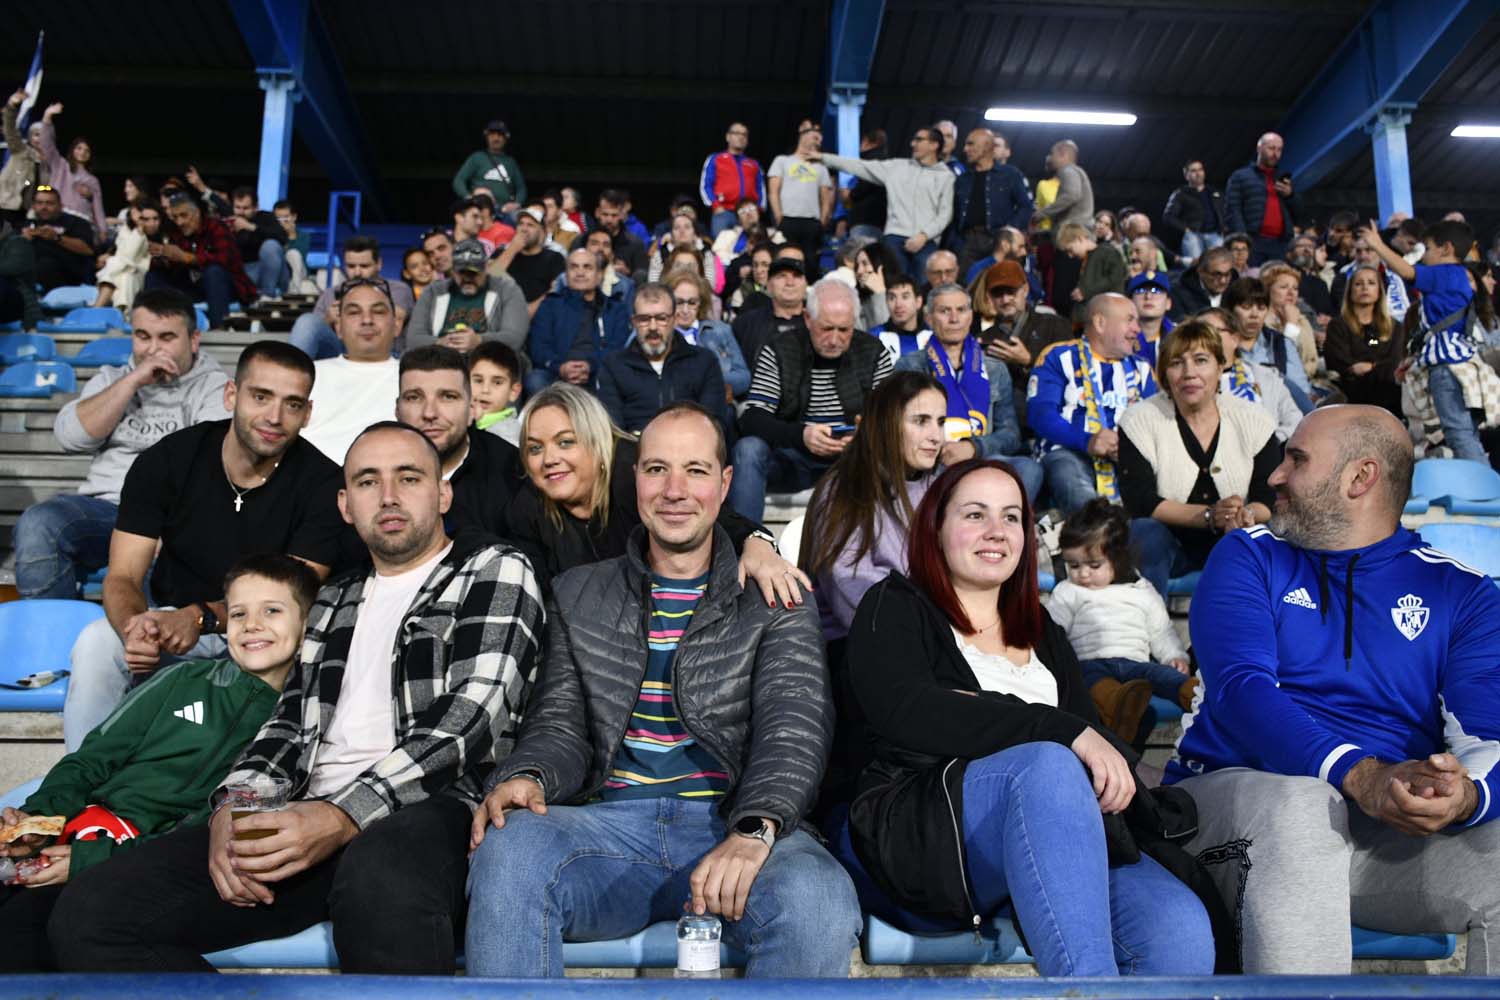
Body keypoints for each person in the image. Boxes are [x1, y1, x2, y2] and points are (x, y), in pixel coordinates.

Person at [54, 421, 545, 975]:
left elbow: (466, 723)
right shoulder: (335, 598)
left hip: (430, 809)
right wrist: (233, 806)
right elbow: (288, 724)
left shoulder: (494, 567)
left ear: (443, 492)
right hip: (303, 814)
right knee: (93, 912)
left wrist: (339, 816)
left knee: (380, 880)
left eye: (409, 478)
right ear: (344, 504)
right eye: (367, 481)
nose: (388, 496)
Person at [468, 402, 859, 977]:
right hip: (606, 830)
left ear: (725, 485)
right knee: (509, 850)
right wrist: (528, 776)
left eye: (695, 471)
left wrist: (756, 826)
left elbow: (793, 728)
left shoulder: (778, 598)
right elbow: (558, 725)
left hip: (731, 821)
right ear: (636, 479)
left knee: (817, 897)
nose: (674, 490)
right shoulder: (579, 592)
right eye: (656, 470)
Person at [834, 459, 1217, 977]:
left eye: (1012, 517)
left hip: (1061, 827)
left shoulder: (1042, 629)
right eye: (975, 514)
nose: (996, 531)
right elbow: (910, 710)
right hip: (929, 826)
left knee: (1177, 929)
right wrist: (1060, 731)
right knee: (1048, 765)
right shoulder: (894, 605)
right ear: (936, 527)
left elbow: (1087, 731)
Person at [1168, 405, 1500, 974]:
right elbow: (1242, 692)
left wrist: (1464, 796)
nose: (1274, 476)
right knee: (1302, 804)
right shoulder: (1248, 554)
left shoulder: (1463, 592)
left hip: (1375, 835)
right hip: (1228, 813)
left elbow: (1487, 737)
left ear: (1359, 478)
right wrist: (1361, 774)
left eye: (1295, 460)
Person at [0, 554, 320, 973]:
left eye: (272, 611)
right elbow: (91, 761)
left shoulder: (302, 719)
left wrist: (88, 860)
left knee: (23, 929)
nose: (252, 624)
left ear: (309, 628)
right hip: (84, 832)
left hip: (137, 862)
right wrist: (37, 822)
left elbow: (201, 830)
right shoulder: (180, 682)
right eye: (239, 613)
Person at [62, 341, 347, 751]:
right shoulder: (168, 459)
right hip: (171, 626)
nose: (274, 417)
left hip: (266, 636)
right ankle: (78, 792)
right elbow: (123, 574)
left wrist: (198, 619)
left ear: (307, 413)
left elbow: (289, 595)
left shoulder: (323, 484)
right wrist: (135, 628)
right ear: (231, 394)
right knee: (96, 641)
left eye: (292, 404)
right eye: (261, 396)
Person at [15, 288, 231, 599]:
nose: (153, 349)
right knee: (39, 523)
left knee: (167, 553)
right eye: (143, 336)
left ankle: (139, 643)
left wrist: (174, 524)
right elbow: (71, 437)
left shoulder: (215, 388)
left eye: (166, 338)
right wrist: (132, 381)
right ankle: (51, 634)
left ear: (194, 339)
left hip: (172, 518)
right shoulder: (111, 380)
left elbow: (212, 467)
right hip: (106, 510)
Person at [1117, 319, 1279, 599]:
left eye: (1201, 360)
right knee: (1146, 531)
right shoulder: (1140, 419)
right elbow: (1140, 500)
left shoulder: (1255, 420)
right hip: (1172, 544)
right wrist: (1208, 517)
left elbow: (1270, 496)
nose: (1189, 373)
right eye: (1177, 363)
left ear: (1221, 366)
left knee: (1272, 532)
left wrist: (1243, 516)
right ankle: (1148, 631)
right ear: (1164, 374)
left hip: (1237, 535)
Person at [730, 278, 894, 522]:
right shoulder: (778, 349)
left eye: (844, 330)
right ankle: (744, 543)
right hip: (793, 456)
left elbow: (891, 415)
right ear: (808, 319)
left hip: (856, 459)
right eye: (826, 329)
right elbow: (754, 418)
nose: (835, 339)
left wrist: (865, 434)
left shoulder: (872, 351)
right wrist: (802, 435)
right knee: (749, 449)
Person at [1051, 499, 1194, 742]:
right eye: (1073, 565)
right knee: (1089, 679)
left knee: (1164, 676)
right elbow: (1053, 630)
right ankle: (1116, 703)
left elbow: (1160, 631)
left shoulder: (1141, 590)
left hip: (1136, 665)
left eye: (1094, 565)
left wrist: (1175, 656)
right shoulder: (1067, 591)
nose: (1083, 573)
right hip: (1090, 663)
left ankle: (1197, 696)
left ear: (1117, 559)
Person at [894, 283, 1043, 498]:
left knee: (1029, 469)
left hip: (982, 458)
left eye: (961, 310)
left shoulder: (995, 369)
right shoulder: (909, 367)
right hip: (933, 460)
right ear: (928, 318)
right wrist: (941, 450)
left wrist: (974, 448)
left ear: (971, 316)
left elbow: (1010, 434)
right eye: (945, 311)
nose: (954, 319)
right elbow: (899, 428)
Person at [1361, 218, 1483, 461]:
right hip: (1460, 364)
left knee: (1457, 433)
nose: (1423, 255)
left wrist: (1377, 245)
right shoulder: (1457, 276)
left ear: (1446, 249)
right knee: (1464, 432)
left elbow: (1407, 271)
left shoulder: (1445, 273)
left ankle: (1483, 490)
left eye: (1427, 248)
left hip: (1447, 368)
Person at [1028, 293, 1157, 514]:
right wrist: (1087, 441)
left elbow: (1155, 426)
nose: (1137, 329)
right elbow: (1040, 415)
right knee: (1074, 483)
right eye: (1129, 320)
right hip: (1068, 452)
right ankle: (1100, 529)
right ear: (1100, 322)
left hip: (1126, 463)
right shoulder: (1059, 356)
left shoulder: (1143, 370)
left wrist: (1130, 449)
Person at [395, 345, 524, 540]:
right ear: (397, 410)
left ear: (472, 408)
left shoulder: (512, 471)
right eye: (414, 397)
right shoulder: (370, 469)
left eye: (448, 397)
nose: (429, 413)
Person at [818, 126, 955, 279]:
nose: (913, 143)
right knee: (892, 285)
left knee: (925, 286)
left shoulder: (946, 176)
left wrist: (923, 236)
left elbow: (945, 214)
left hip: (927, 242)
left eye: (919, 139)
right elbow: (858, 165)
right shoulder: (896, 167)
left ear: (934, 145)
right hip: (894, 238)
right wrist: (822, 158)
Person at [596, 283, 729, 434]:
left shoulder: (704, 361)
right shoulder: (614, 365)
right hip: (634, 451)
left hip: (690, 449)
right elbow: (612, 428)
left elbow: (714, 424)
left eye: (661, 318)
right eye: (644, 319)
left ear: (673, 320)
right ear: (634, 322)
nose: (653, 327)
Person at [301, 278, 402, 464]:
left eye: (378, 312)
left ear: (397, 325)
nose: (367, 320)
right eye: (354, 312)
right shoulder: (308, 375)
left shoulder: (413, 378)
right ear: (338, 327)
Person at [976, 259, 1071, 432]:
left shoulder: (1055, 325)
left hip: (1051, 424)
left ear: (1025, 290)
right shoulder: (984, 340)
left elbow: (1071, 378)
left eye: (1011, 292)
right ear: (989, 298)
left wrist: (1029, 361)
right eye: (998, 294)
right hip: (1001, 429)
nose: (1005, 300)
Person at [287, 236, 416, 360]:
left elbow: (395, 324)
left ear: (379, 264)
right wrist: (329, 319)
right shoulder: (330, 294)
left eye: (364, 266)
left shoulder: (398, 289)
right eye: (351, 266)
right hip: (340, 354)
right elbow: (313, 331)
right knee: (307, 321)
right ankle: (290, 375)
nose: (357, 272)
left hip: (387, 353)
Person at [526, 245, 633, 395]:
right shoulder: (550, 305)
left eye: (587, 267)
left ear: (599, 275)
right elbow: (538, 346)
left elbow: (618, 348)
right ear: (566, 274)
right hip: (556, 373)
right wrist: (561, 367)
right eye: (574, 267)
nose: (580, 272)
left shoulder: (614, 308)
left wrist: (591, 366)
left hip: (599, 372)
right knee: (535, 380)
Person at [146, 193, 257, 328]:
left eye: (184, 215)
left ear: (197, 213)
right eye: (175, 217)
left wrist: (186, 257)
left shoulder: (216, 227)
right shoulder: (174, 232)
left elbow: (224, 259)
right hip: (192, 287)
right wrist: (164, 257)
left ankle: (219, 328)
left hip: (226, 288)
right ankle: (154, 326)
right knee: (154, 275)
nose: (179, 222)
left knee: (214, 271)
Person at [404, 238, 528, 354]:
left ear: (485, 268)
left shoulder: (506, 289)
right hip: (442, 361)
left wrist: (480, 341)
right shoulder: (433, 291)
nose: (468, 278)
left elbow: (515, 338)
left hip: (490, 359)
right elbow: (413, 339)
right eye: (462, 273)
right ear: (453, 271)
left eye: (473, 273)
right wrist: (440, 342)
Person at [1200, 306, 1302, 442]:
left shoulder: (1266, 377)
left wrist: (1269, 445)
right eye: (1197, 334)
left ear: (1234, 339)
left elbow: (1294, 419)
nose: (1203, 339)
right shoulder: (1191, 382)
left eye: (1211, 331)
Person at [948, 128, 1033, 278]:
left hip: (998, 241)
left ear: (987, 146)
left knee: (1000, 285)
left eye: (970, 144)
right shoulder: (962, 179)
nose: (965, 149)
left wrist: (1008, 233)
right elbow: (954, 215)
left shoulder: (1010, 174)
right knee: (968, 288)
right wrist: (957, 244)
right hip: (967, 243)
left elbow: (1025, 207)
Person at [1223, 277, 1314, 412]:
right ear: (1230, 310)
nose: (1254, 315)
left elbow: (1301, 391)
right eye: (1246, 307)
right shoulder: (1219, 344)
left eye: (1261, 308)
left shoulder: (1280, 344)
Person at [1323, 264, 1403, 417]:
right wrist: (1363, 367)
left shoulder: (1395, 327)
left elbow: (1396, 359)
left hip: (1388, 386)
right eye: (1358, 284)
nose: (1365, 288)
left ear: (1379, 290)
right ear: (1350, 291)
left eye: (1371, 283)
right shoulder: (1338, 325)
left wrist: (1372, 366)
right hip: (1353, 387)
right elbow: (1337, 359)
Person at [666, 271, 751, 398]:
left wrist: (708, 379)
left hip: (716, 402)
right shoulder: (657, 333)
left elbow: (744, 378)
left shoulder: (721, 331)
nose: (685, 310)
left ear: (700, 304)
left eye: (692, 302)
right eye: (679, 302)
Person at [1223, 132, 1299, 265]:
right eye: (1271, 148)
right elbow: (1233, 209)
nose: (1275, 154)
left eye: (1279, 149)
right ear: (1259, 148)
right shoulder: (1240, 176)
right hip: (1253, 241)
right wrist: (1242, 239)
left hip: (1280, 243)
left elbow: (1300, 212)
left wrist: (1290, 195)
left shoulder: (1285, 179)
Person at [767, 119, 832, 274]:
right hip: (788, 219)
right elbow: (773, 191)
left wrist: (821, 223)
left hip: (812, 222)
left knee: (810, 263)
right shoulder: (782, 161)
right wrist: (779, 218)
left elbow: (826, 198)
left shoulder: (821, 167)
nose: (818, 137)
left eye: (819, 134)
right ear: (802, 131)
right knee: (785, 260)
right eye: (813, 132)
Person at [36, 101, 106, 239]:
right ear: (72, 150)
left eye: (87, 150)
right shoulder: (60, 165)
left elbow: (98, 207)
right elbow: (47, 145)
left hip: (81, 224)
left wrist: (103, 230)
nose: (82, 152)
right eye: (79, 148)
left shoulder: (92, 180)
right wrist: (47, 117)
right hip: (57, 220)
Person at [490, 203, 565, 313]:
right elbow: (489, 279)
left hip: (539, 317)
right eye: (521, 224)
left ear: (542, 231)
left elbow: (555, 293)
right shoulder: (502, 253)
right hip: (501, 316)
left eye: (530, 225)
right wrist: (513, 248)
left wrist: (526, 313)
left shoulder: (554, 258)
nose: (524, 229)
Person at [21, 185, 96, 292]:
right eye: (39, 203)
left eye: (49, 203)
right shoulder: (27, 224)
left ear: (60, 206)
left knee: (46, 264)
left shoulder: (76, 223)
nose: (44, 207)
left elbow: (88, 250)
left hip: (66, 276)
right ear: (33, 206)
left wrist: (56, 237)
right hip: (30, 274)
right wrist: (22, 241)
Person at [699, 122, 766, 237]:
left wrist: (758, 209)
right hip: (724, 212)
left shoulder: (754, 164)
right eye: (737, 133)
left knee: (752, 246)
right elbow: (706, 185)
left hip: (749, 212)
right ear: (728, 137)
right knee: (721, 248)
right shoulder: (715, 158)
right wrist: (715, 205)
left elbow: (761, 189)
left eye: (744, 135)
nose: (741, 137)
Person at [452, 118, 526, 214]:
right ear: (487, 137)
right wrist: (469, 198)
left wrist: (517, 203)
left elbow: (521, 188)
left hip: (505, 211)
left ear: (505, 138)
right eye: (492, 135)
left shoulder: (511, 162)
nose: (496, 138)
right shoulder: (477, 157)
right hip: (480, 209)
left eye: (500, 135)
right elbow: (459, 180)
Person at [89, 202, 155, 310]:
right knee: (125, 277)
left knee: (117, 269)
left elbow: (129, 256)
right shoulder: (126, 229)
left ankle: (96, 310)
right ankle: (121, 317)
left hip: (138, 271)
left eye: (154, 219)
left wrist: (140, 230)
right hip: (124, 271)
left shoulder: (154, 236)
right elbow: (121, 252)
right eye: (144, 218)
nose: (151, 222)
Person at [0, 91, 51, 228]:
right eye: (36, 135)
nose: (39, 139)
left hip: (29, 214)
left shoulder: (49, 163)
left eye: (43, 135)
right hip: (6, 206)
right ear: (30, 137)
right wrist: (11, 106)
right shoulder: (21, 150)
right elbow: (10, 129)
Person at [228, 187, 287, 300]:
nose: (241, 212)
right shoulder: (230, 222)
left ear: (256, 207)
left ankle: (268, 295)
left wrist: (251, 227)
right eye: (237, 208)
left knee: (270, 246)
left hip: (273, 271)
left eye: (246, 208)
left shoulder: (266, 217)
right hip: (246, 272)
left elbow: (282, 237)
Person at [1161, 159, 1224, 264]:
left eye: (1200, 169)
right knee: (1195, 268)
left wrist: (1223, 228)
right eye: (1193, 171)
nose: (1198, 173)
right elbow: (1168, 216)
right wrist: (1186, 230)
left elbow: (1225, 212)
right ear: (1186, 175)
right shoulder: (1180, 194)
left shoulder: (1214, 192)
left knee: (1218, 266)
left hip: (1215, 235)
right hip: (1194, 236)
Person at [469, 340, 523, 445]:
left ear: (513, 392)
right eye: (478, 381)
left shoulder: (509, 436)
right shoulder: (456, 421)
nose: (485, 390)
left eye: (497, 382)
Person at [869, 273, 931, 364]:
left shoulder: (933, 336)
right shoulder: (874, 337)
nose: (898, 304)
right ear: (886, 302)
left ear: (918, 302)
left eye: (905, 297)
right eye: (892, 298)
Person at [1035, 139, 1094, 230]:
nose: (1049, 158)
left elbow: (1071, 195)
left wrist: (1042, 214)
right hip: (1079, 230)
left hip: (1074, 231)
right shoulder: (1076, 171)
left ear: (1063, 155)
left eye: (1052, 154)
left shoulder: (1068, 171)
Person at [593, 189, 648, 281]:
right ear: (597, 212)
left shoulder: (635, 244)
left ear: (622, 215)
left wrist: (628, 273)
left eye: (614, 215)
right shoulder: (583, 240)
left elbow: (642, 277)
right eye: (605, 214)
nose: (609, 220)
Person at [1173, 246, 1236, 315]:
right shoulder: (1179, 294)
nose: (1223, 281)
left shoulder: (1237, 291)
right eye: (1217, 275)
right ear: (1200, 271)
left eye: (1227, 274)